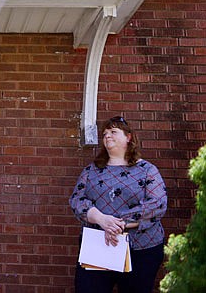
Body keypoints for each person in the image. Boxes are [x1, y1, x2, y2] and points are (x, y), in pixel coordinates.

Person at [69, 116, 167, 293]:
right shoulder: (91, 170)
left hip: (141, 248)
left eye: (113, 132)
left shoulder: (147, 170)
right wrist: (100, 219)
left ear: (128, 137)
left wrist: (117, 224)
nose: (107, 136)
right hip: (98, 247)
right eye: (105, 133)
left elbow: (157, 204)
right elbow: (77, 199)